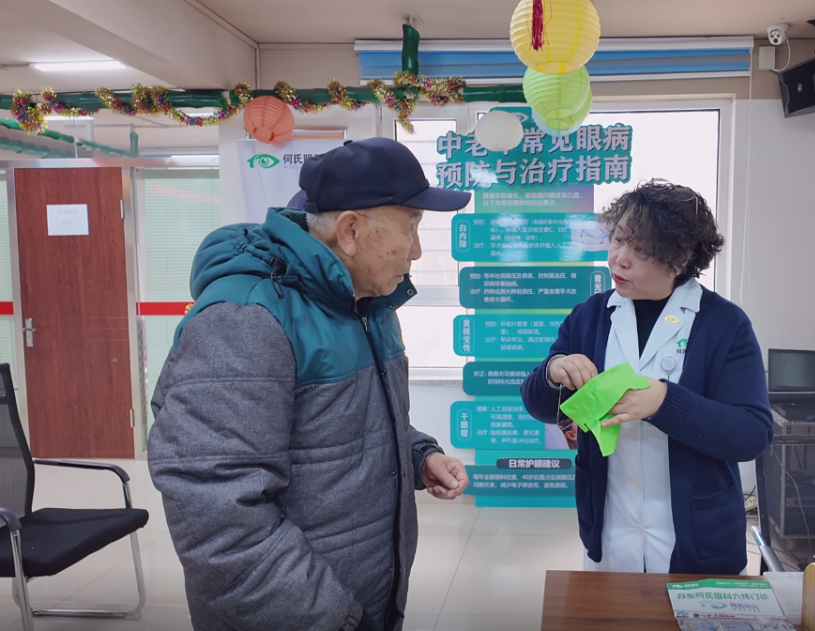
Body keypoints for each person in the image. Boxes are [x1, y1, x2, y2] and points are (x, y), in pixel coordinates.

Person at [148, 138, 471, 631]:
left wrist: (417, 454)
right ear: (350, 231)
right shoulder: (245, 319)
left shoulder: (368, 306)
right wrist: (334, 619)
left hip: (363, 598)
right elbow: (218, 516)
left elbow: (349, 424)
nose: (418, 250)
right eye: (411, 228)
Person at [520, 180, 774, 575]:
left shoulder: (725, 324)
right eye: (618, 240)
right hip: (611, 532)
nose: (619, 259)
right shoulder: (590, 316)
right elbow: (538, 406)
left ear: (680, 259)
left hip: (699, 543)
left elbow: (752, 433)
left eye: (641, 250)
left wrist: (664, 403)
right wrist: (553, 374)